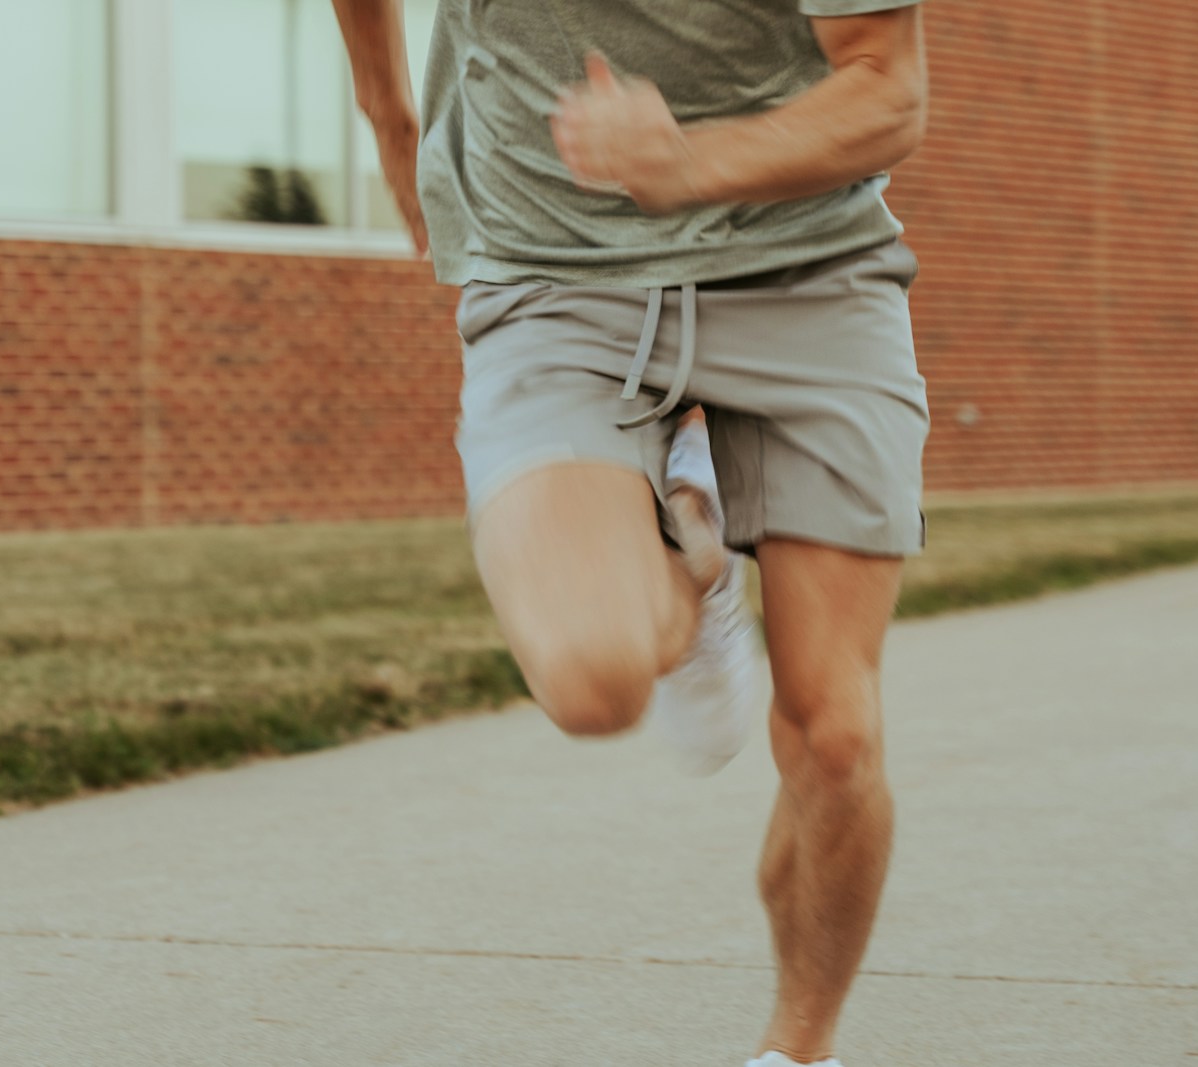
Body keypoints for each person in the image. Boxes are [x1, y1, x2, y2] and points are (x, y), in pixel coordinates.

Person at [333, 2, 929, 1064]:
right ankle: (691, 551)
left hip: (806, 267)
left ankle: (797, 1048)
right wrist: (387, 111)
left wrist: (691, 158)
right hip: (556, 273)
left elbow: (887, 88)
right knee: (592, 680)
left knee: (834, 736)